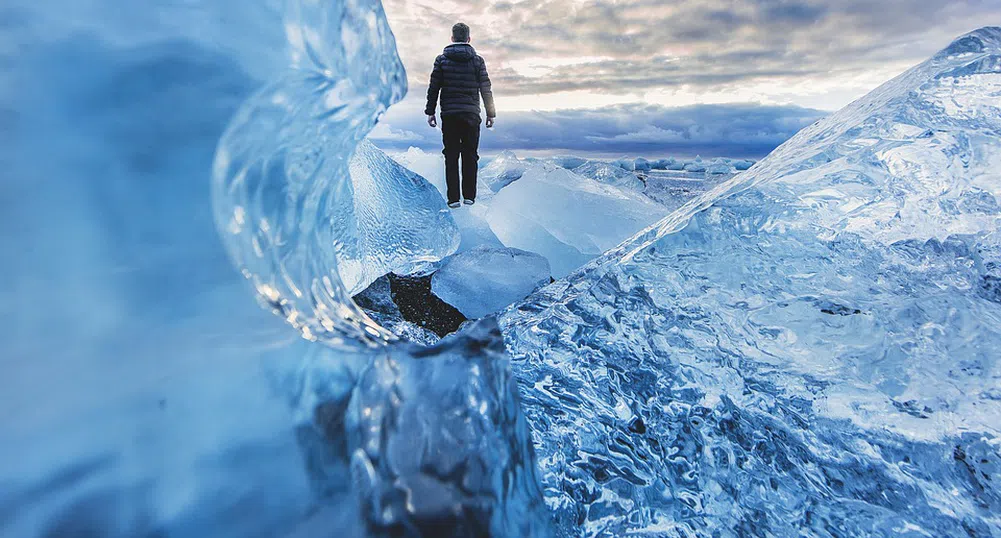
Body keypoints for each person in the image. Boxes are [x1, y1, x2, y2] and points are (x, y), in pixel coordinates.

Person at [425, 22, 496, 208]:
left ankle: (453, 199)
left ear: (452, 38)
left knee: (451, 156)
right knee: (470, 155)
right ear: (468, 39)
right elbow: (485, 88)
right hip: (471, 114)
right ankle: (469, 197)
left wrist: (430, 111)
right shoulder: (477, 61)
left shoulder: (441, 60)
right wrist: (490, 113)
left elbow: (434, 88)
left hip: (449, 115)